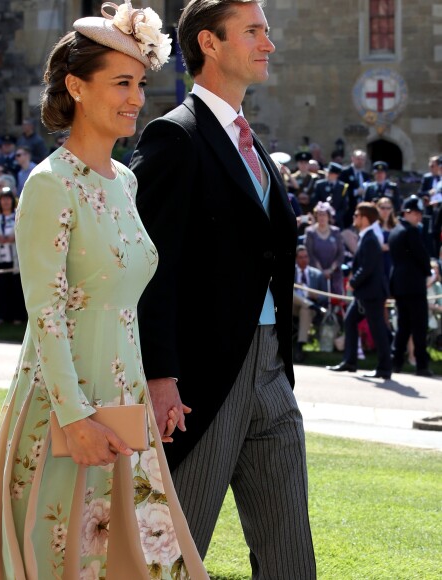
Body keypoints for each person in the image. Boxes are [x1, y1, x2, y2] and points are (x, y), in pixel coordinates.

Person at [0, 3, 208, 579]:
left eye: (140, 83)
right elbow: (44, 314)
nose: (135, 97)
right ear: (76, 86)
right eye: (120, 83)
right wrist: (75, 418)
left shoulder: (125, 180)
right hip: (64, 406)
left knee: (137, 561)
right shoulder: (49, 185)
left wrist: (153, 388)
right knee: (67, 558)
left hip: (125, 402)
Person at [130, 0, 316, 576]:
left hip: (270, 371)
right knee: (172, 557)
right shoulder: (174, 137)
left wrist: (280, 363)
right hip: (203, 383)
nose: (269, 42)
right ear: (209, 44)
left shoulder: (253, 143)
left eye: (268, 30)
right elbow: (149, 269)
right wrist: (160, 375)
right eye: (254, 31)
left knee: (290, 553)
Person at [327, 202, 393, 379]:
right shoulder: (367, 236)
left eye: (357, 215)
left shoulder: (370, 238)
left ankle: (384, 368)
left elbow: (368, 267)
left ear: (365, 218)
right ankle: (350, 361)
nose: (354, 218)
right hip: (366, 293)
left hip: (371, 293)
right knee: (350, 321)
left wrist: (353, 282)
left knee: (377, 329)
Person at [389, 195, 434, 377]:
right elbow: (422, 256)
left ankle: (396, 362)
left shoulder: (395, 231)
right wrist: (429, 272)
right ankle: (421, 365)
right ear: (406, 213)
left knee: (403, 326)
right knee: (418, 326)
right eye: (415, 213)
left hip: (400, 285)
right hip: (414, 285)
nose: (418, 217)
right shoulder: (411, 231)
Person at [0, 188, 25, 326]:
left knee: (16, 290)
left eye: (8, 199)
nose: (5, 202)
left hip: (15, 261)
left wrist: (14, 238)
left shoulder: (19, 216)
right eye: (3, 199)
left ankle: (17, 317)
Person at [293, 244, 328, 362]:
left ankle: (300, 346)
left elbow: (325, 296)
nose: (304, 259)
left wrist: (315, 295)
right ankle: (310, 304)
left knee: (306, 310)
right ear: (296, 258)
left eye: (306, 256)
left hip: (310, 309)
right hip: (292, 306)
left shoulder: (317, 274)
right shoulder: (289, 271)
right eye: (301, 257)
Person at [304, 201, 345, 296]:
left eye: (324, 215)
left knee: (335, 300)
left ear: (329, 216)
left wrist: (331, 269)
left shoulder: (336, 231)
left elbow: (341, 253)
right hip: (315, 272)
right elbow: (309, 253)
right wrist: (321, 271)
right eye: (319, 214)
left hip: (334, 273)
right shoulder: (310, 232)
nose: (322, 217)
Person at [310, 161, 349, 229]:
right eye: (327, 172)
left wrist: (335, 218)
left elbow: (344, 206)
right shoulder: (319, 185)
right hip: (321, 220)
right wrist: (323, 216)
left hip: (337, 222)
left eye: (331, 173)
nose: (328, 174)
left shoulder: (343, 187)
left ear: (337, 175)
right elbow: (314, 200)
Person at [339, 149, 370, 228]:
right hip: (348, 210)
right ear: (352, 158)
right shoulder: (345, 173)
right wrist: (355, 192)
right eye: (358, 159)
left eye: (362, 159)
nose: (360, 161)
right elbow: (341, 191)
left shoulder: (365, 175)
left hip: (362, 210)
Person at [377, 196, 398, 279]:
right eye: (382, 208)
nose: (385, 211)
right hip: (379, 260)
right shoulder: (374, 226)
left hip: (393, 260)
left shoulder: (396, 225)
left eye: (388, 208)